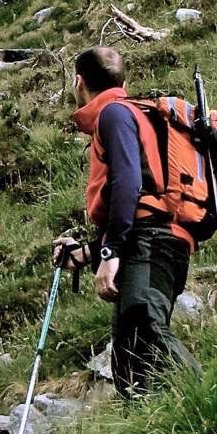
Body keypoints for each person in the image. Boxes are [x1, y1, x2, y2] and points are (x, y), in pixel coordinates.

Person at [54, 44, 201, 396]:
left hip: (151, 240)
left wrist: (110, 253)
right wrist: (89, 252)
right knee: (130, 355)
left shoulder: (113, 114)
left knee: (146, 325)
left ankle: (208, 397)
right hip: (157, 237)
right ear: (122, 80)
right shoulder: (135, 113)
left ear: (78, 83)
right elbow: (141, 199)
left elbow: (128, 183)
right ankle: (151, 421)